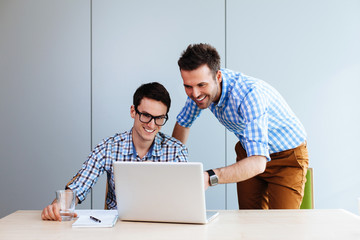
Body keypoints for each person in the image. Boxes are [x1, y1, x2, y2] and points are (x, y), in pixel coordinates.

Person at [172, 43, 309, 209]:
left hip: (286, 158)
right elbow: (183, 123)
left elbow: (258, 163)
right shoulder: (200, 92)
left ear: (218, 77)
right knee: (248, 222)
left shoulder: (249, 95)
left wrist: (209, 177)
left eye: (201, 85)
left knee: (281, 227)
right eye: (188, 86)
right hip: (249, 152)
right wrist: (174, 169)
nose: (194, 94)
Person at [42, 82, 188, 221]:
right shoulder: (109, 147)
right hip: (118, 229)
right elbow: (79, 185)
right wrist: (58, 206)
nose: (151, 124)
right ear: (133, 111)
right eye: (146, 115)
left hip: (162, 228)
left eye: (159, 118)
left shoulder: (176, 151)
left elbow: (184, 201)